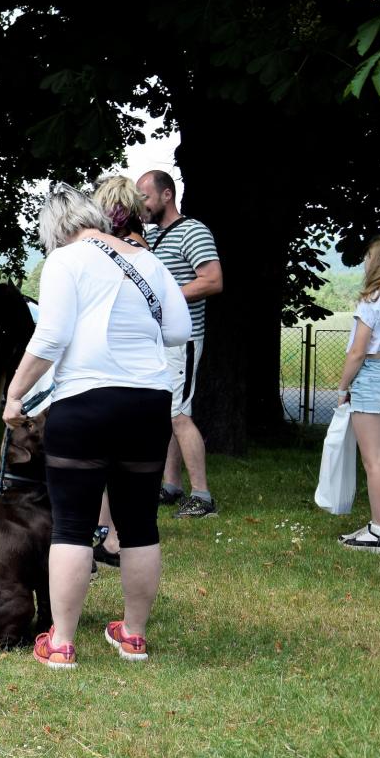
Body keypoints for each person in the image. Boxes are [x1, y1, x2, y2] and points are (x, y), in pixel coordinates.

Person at [4, 184, 190, 669]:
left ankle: (62, 642)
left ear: (55, 230)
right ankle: (133, 635)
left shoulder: (65, 260)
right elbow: (178, 330)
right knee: (140, 523)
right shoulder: (150, 261)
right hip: (149, 401)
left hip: (85, 401)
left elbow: (51, 336)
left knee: (71, 524)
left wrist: (15, 393)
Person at [137, 169, 223, 519]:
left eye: (145, 196)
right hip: (160, 340)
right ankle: (171, 486)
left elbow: (212, 280)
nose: (141, 204)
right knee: (167, 413)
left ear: (167, 195)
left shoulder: (193, 231)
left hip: (183, 340)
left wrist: (165, 299)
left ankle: (203, 497)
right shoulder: (152, 236)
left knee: (179, 415)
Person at [89, 175, 151, 569]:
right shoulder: (142, 250)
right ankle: (106, 530)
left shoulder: (120, 253)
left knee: (108, 457)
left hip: (115, 364)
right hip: (135, 366)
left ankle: (111, 538)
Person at [333, 233, 380, 553]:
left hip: (371, 376)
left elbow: (357, 352)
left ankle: (379, 532)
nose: (364, 260)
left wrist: (343, 387)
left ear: (379, 261)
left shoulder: (372, 299)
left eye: (368, 256)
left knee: (374, 460)